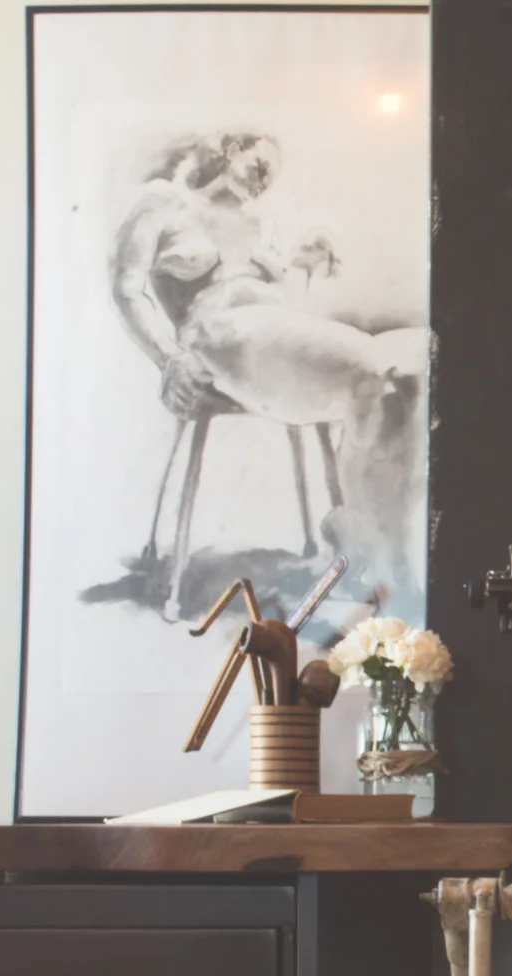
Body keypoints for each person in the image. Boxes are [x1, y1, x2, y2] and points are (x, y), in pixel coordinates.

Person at [109, 132, 427, 619]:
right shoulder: (166, 201)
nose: (263, 180)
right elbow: (127, 288)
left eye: (270, 176)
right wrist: (168, 358)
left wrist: (303, 264)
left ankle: (366, 534)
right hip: (219, 337)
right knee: (373, 370)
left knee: (411, 366)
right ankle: (379, 555)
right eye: (259, 164)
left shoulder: (263, 224)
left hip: (269, 341)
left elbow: (288, 320)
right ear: (232, 150)